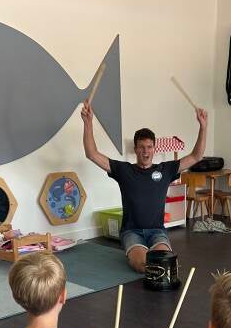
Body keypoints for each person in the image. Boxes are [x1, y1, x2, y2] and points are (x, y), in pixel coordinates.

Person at [82, 100, 207, 272]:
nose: (145, 151)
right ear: (135, 149)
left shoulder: (166, 170)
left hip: (157, 232)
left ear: (154, 148)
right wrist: (88, 123)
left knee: (164, 264)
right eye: (141, 147)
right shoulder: (124, 170)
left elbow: (196, 156)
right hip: (131, 232)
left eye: (149, 147)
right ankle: (136, 253)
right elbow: (92, 154)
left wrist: (203, 127)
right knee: (143, 266)